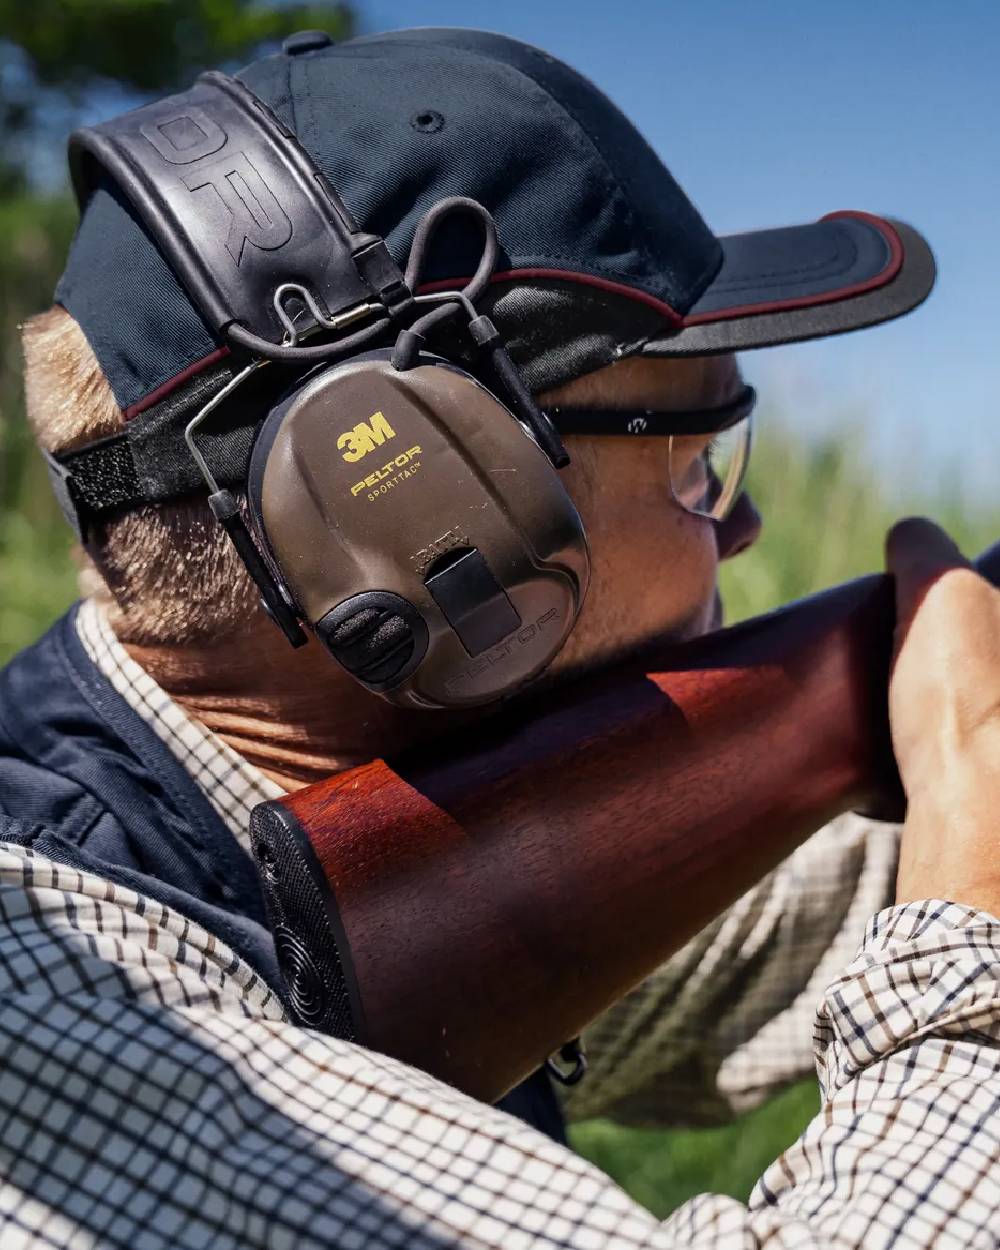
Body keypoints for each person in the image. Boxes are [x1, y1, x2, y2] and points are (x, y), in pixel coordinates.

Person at [1, 25, 997, 1248]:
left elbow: (781, 937)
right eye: (697, 468)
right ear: (427, 524)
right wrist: (976, 913)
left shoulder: (366, 845)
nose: (743, 526)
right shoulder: (44, 994)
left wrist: (957, 771)